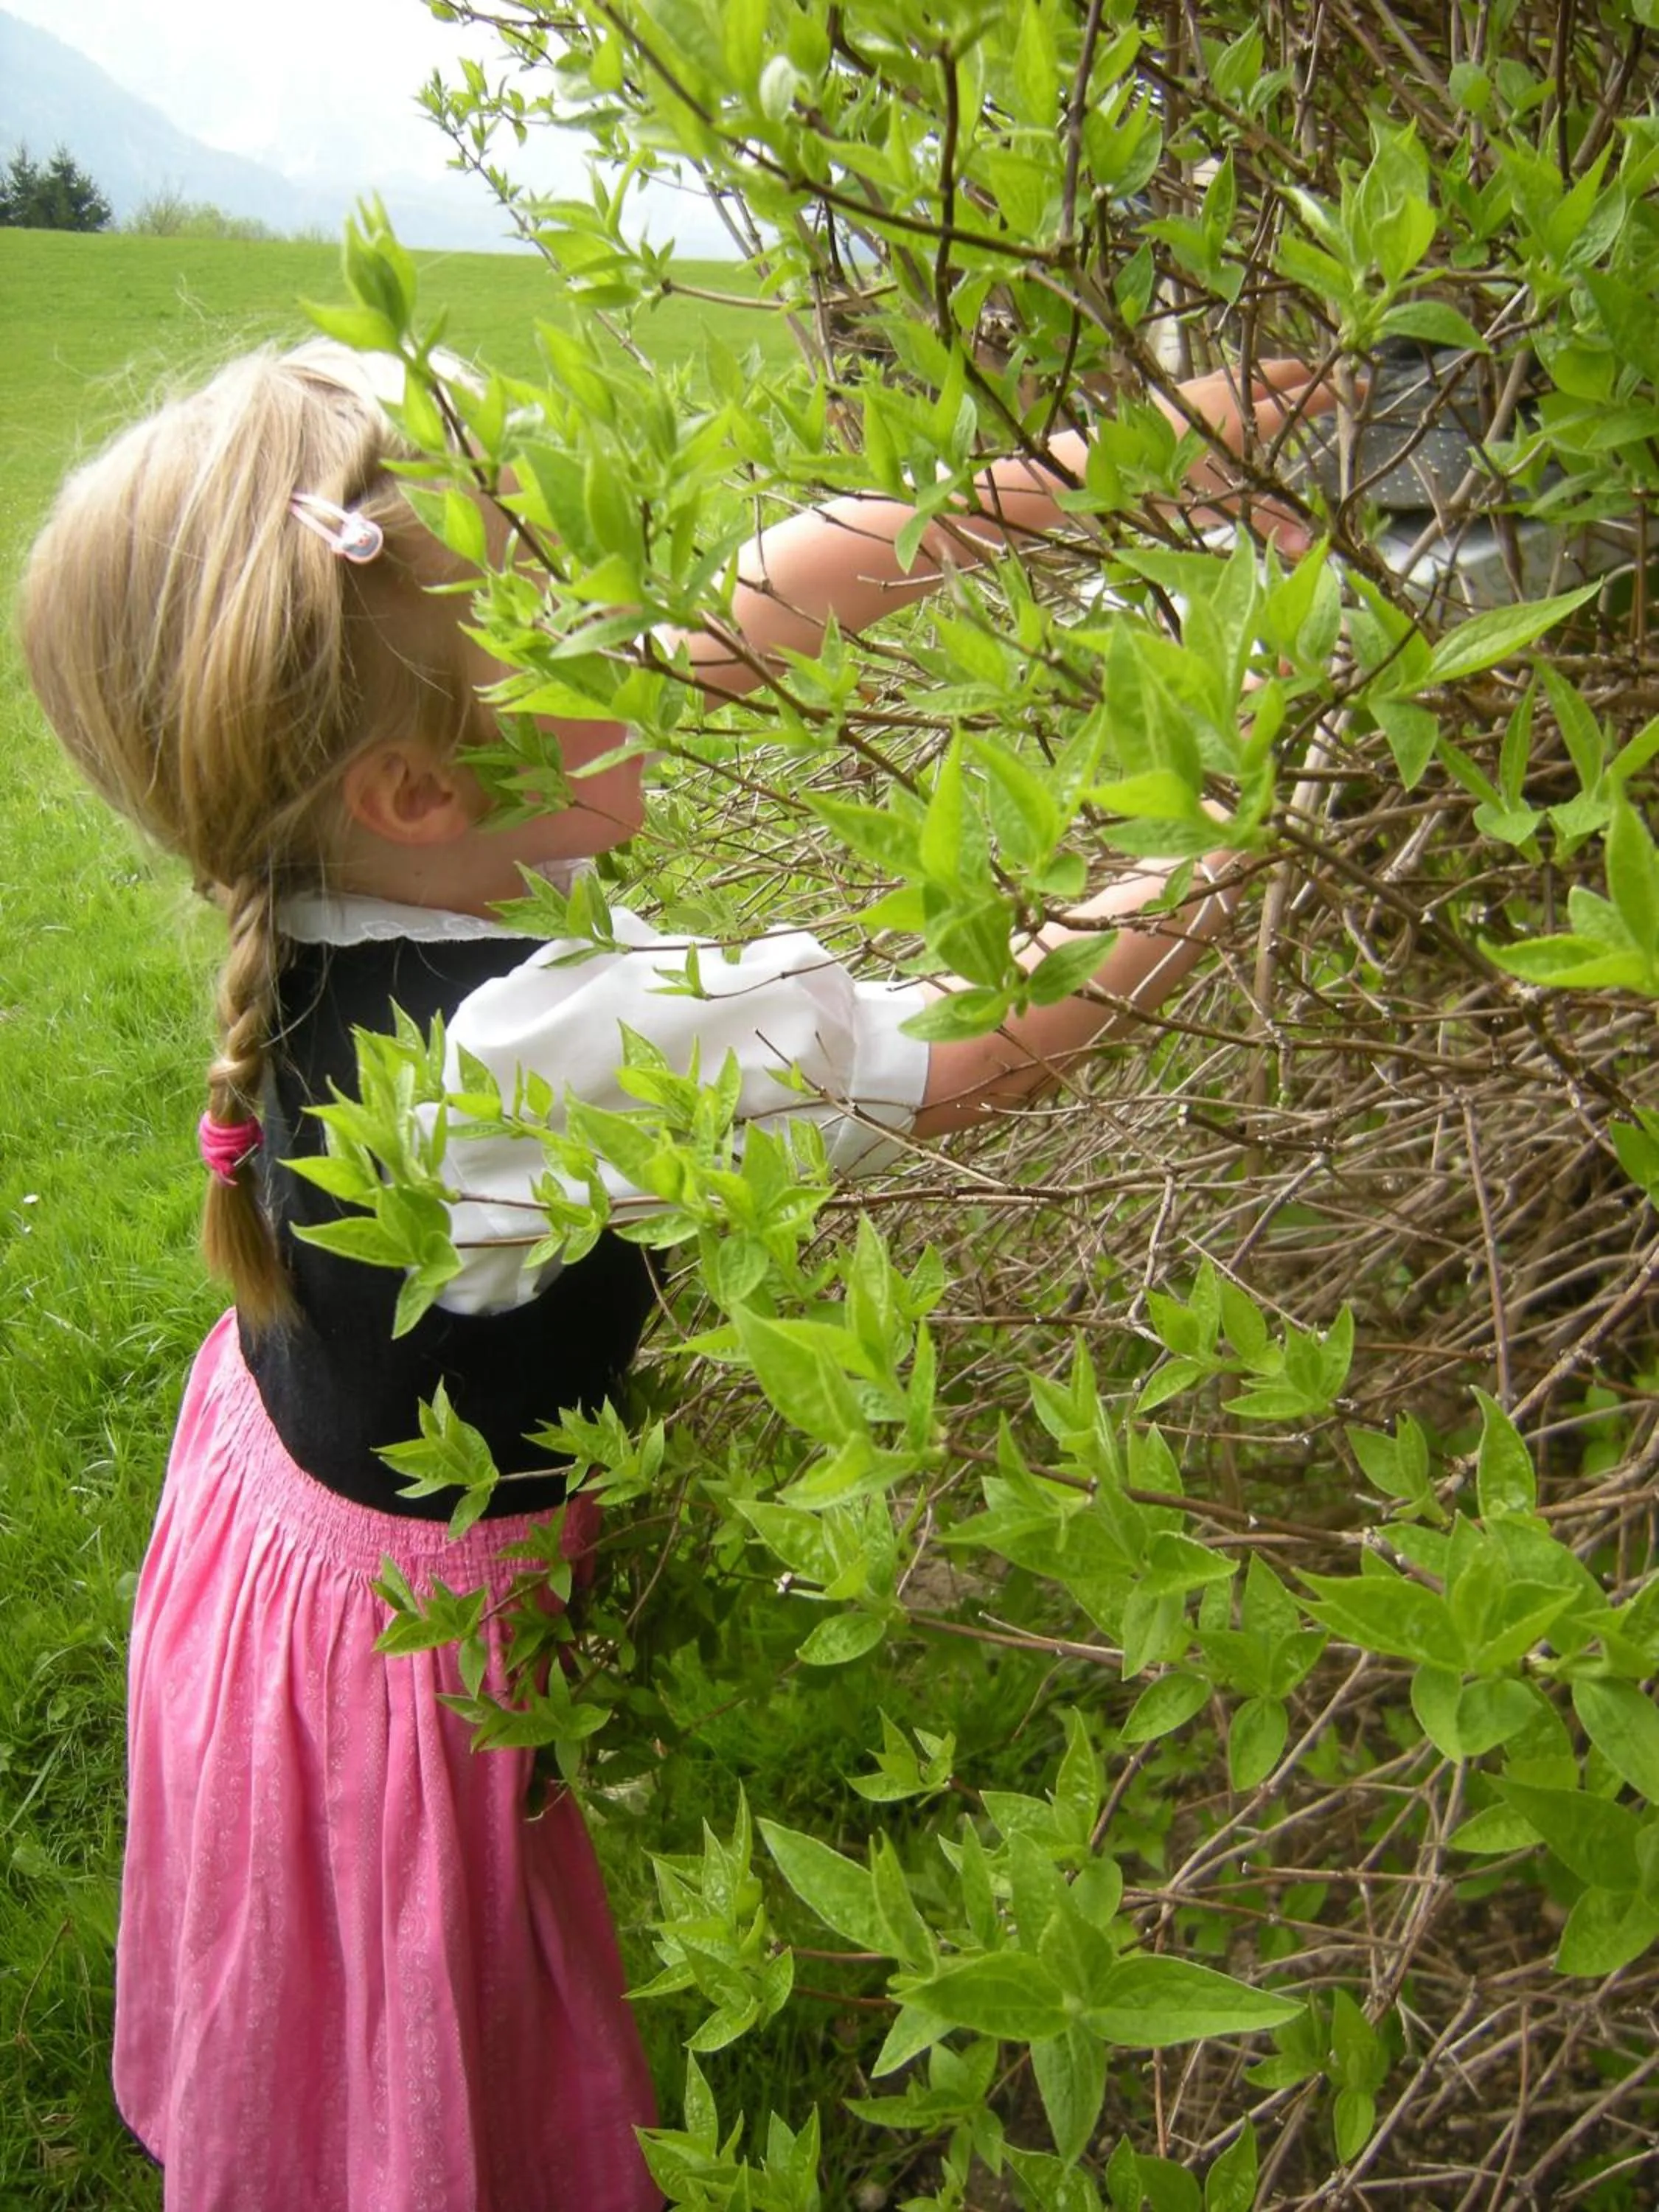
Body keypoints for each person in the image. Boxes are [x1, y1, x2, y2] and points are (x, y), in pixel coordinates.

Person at [16, 337, 1332, 2211]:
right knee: (429, 2058)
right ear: (409, 784)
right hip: (395, 1669)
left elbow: (740, 608)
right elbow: (986, 1036)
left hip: (272, 1538)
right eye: (564, 614)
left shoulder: (358, 861)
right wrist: (1269, 769)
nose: (630, 622)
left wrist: (1116, 465)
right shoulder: (524, 1061)